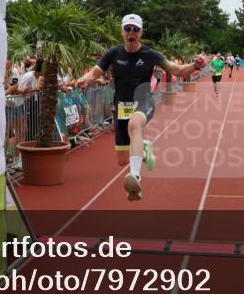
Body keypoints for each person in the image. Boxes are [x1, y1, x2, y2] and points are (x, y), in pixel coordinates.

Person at [75, 14, 205, 201]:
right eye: (128, 28)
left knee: (134, 125)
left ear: (141, 32)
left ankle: (135, 176)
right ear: (122, 32)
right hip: (121, 107)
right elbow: (96, 72)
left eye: (135, 29)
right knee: (121, 160)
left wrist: (195, 65)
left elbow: (176, 70)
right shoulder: (114, 53)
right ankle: (143, 150)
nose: (131, 32)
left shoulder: (150, 55)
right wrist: (85, 79)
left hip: (144, 103)